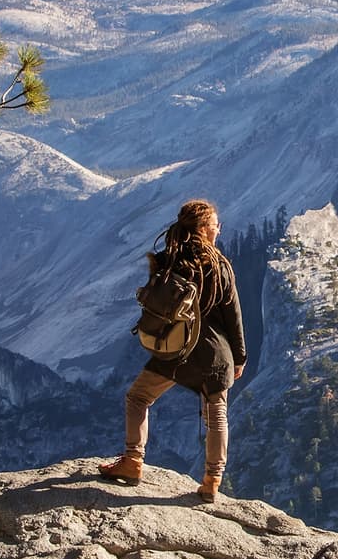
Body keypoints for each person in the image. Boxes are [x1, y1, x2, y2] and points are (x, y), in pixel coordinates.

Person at [99, 198, 246, 502]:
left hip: (175, 350)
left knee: (138, 397)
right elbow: (234, 318)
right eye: (216, 224)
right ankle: (211, 481)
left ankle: (133, 461)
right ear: (204, 228)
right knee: (216, 414)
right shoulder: (220, 266)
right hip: (215, 355)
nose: (219, 229)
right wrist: (240, 357)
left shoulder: (169, 260)